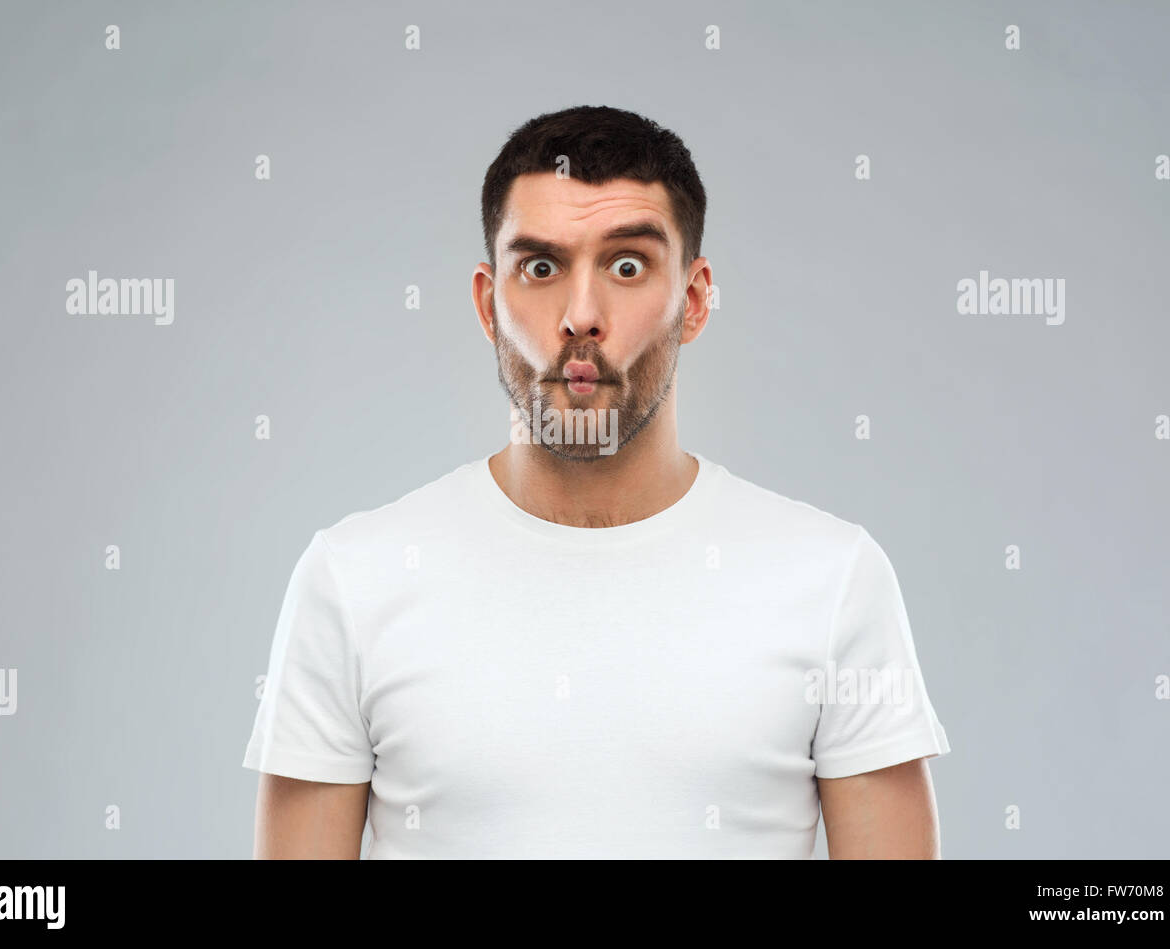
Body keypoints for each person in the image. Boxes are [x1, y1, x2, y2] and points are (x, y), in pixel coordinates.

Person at [243, 105, 950, 858]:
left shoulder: (834, 579)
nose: (581, 315)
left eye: (627, 265)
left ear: (696, 298)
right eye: (541, 268)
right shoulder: (353, 580)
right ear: (489, 303)